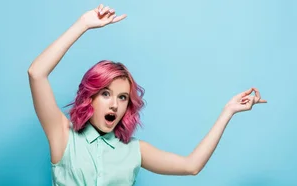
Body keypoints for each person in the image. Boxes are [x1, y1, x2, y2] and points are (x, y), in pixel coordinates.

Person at [28, 4, 267, 186]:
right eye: (105, 94)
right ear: (89, 97)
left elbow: (191, 166)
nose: (114, 105)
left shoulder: (134, 150)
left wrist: (229, 111)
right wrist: (83, 24)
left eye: (122, 98)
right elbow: (36, 73)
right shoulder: (63, 136)